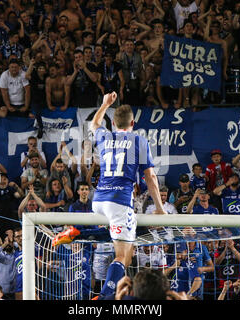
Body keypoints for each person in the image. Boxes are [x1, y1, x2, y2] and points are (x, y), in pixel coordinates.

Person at [53, 92, 166, 300]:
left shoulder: (105, 135)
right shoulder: (139, 141)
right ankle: (105, 296)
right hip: (119, 202)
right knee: (124, 256)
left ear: (113, 123)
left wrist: (105, 104)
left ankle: (79, 233)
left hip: (99, 200)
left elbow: (94, 123)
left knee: (131, 238)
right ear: (133, 122)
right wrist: (159, 208)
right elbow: (150, 177)